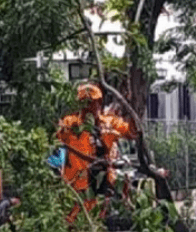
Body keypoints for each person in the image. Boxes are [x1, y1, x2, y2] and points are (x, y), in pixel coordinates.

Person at [56, 83, 137, 223]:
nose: (89, 106)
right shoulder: (71, 123)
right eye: (85, 102)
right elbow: (56, 141)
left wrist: (133, 108)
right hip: (77, 183)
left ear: (99, 102)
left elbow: (130, 131)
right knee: (75, 219)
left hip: (104, 183)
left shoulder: (108, 122)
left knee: (102, 218)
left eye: (93, 102)